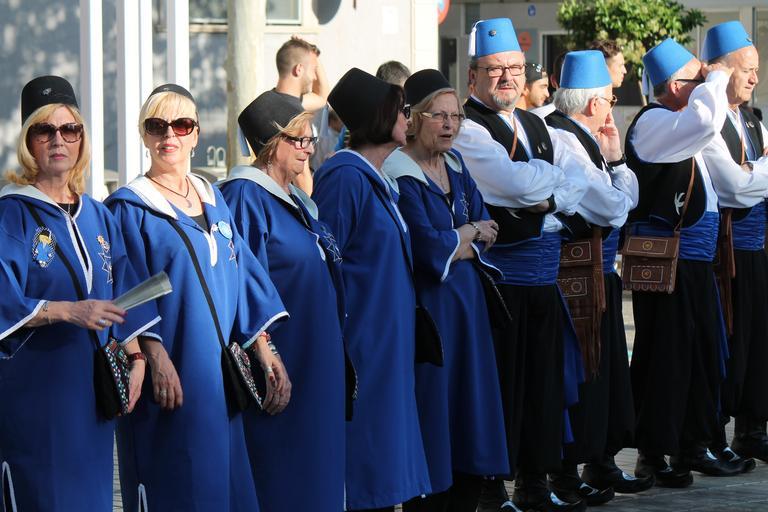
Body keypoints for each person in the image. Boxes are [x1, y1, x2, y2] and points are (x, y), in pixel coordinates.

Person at [104, 83, 289, 511]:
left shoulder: (213, 198)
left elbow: (243, 275)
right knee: (180, 488)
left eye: (181, 124)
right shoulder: (129, 208)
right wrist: (155, 357)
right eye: (157, 125)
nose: (169, 135)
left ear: (196, 134)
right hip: (173, 375)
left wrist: (264, 348)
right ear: (143, 134)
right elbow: (128, 290)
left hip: (221, 381)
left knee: (226, 491)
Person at [0, 75, 159, 511]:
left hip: (93, 398)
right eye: (44, 130)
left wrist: (138, 357)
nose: (58, 140)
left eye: (69, 129)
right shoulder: (12, 213)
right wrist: (69, 311)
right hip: (38, 396)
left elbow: (125, 287)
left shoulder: (99, 215)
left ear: (82, 139)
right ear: (28, 142)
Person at [453, 18, 588, 512]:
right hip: (501, 281)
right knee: (503, 385)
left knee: (543, 385)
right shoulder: (468, 128)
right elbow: (510, 183)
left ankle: (535, 482)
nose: (507, 77)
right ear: (473, 76)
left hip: (544, 277)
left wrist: (542, 196)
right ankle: (493, 488)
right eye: (494, 69)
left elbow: (575, 184)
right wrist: (546, 189)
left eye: (514, 67)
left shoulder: (535, 123)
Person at [382, 69, 509, 512]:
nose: (450, 124)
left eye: (456, 115)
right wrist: (467, 233)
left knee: (470, 412)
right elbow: (426, 247)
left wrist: (461, 238)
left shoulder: (455, 166)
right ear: (414, 118)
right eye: (439, 115)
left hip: (469, 312)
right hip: (432, 314)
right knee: (436, 410)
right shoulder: (399, 174)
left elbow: (490, 226)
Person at [217, 92, 347, 512]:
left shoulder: (294, 198)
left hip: (315, 360)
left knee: (317, 473)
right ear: (272, 143)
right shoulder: (245, 196)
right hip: (281, 365)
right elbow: (241, 283)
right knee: (284, 478)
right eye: (300, 140)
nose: (308, 149)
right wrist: (265, 351)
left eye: (310, 140)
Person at [625, 38, 745, 487]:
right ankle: (655, 451)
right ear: (676, 86)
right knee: (667, 358)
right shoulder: (654, 121)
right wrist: (718, 74)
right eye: (697, 79)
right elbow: (706, 118)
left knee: (702, 355)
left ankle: (695, 441)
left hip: (695, 260)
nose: (705, 85)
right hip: (668, 263)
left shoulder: (682, 123)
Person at [313, 67, 431, 511]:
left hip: (385, 342)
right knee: (366, 468)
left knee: (384, 464)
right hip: (363, 344)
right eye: (401, 110)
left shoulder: (374, 178)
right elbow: (326, 263)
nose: (407, 118)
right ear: (379, 117)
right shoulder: (344, 177)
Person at [543, 50, 650, 504]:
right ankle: (568, 474)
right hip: (575, 278)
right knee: (579, 373)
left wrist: (617, 159)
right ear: (593, 103)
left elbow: (626, 201)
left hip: (600, 273)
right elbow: (612, 208)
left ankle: (601, 462)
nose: (611, 106)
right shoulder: (564, 142)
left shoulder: (588, 140)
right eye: (609, 98)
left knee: (605, 375)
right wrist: (618, 188)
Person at [700, 20, 768, 467]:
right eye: (747, 69)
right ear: (721, 70)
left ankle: (752, 429)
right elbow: (734, 189)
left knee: (759, 341)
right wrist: (759, 175)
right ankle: (715, 434)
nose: (755, 78)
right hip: (724, 254)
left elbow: (748, 181)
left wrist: (753, 174)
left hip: (756, 248)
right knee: (728, 342)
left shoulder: (752, 120)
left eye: (756, 70)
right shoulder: (707, 121)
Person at [273, 36, 329, 194]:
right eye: (312, 69)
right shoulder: (290, 112)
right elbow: (302, 177)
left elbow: (322, 96)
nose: (314, 77)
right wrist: (311, 207)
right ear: (299, 69)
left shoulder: (278, 101)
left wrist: (312, 54)